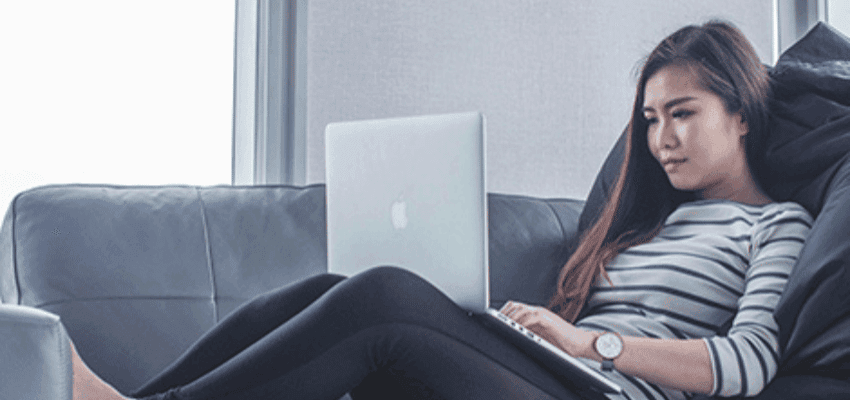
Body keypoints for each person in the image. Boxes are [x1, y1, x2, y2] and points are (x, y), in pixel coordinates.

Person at [70, 20, 812, 400]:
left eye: (681, 113)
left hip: (608, 390)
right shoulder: (653, 222)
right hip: (561, 374)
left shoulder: (776, 225)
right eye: (648, 120)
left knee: (386, 295)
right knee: (336, 289)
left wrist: (592, 345)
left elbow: (746, 366)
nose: (660, 138)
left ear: (742, 113)